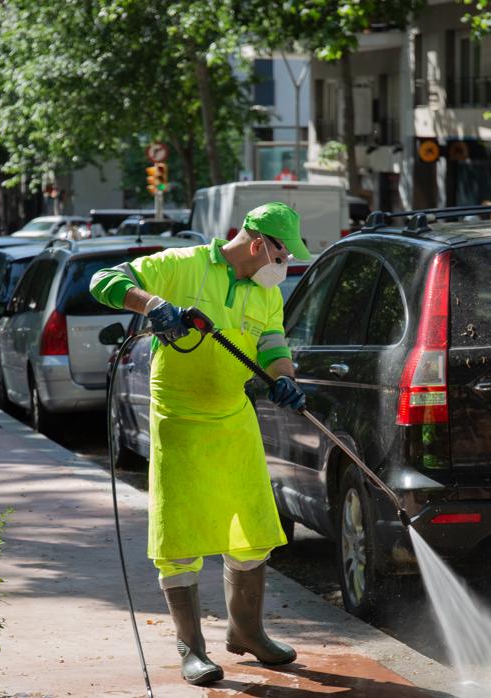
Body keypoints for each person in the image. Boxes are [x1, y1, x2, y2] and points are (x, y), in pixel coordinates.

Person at [89, 202, 309, 686]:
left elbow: (272, 345)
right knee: (180, 535)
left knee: (252, 527)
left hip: (233, 417)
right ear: (257, 244)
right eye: (282, 252)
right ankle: (192, 648)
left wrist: (284, 378)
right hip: (180, 420)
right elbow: (103, 279)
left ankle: (247, 631)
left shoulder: (266, 295)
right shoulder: (181, 265)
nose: (285, 262)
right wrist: (151, 304)